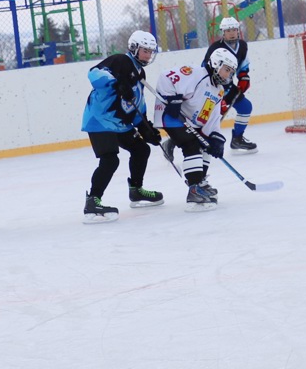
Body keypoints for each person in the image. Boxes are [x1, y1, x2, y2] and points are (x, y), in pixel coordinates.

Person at [80, 31, 164, 223]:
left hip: (118, 123)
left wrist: (145, 127)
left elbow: (136, 102)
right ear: (134, 48)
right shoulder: (119, 61)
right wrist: (116, 82)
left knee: (141, 149)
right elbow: (94, 73)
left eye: (150, 52)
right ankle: (92, 200)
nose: (148, 55)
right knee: (110, 160)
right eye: (145, 51)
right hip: (100, 121)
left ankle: (136, 190)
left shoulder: (139, 71)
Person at [153, 48, 237, 211]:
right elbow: (165, 77)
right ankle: (193, 191)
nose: (228, 75)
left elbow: (212, 116)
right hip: (171, 115)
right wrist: (173, 100)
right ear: (215, 64)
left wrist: (215, 138)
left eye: (231, 72)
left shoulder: (218, 90)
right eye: (226, 69)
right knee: (191, 146)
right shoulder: (196, 73)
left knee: (205, 144)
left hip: (189, 121)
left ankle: (200, 182)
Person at [202, 16, 257, 153]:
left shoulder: (242, 46)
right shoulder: (215, 48)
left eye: (234, 29)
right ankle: (178, 141)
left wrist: (244, 77)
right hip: (213, 89)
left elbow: (243, 64)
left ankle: (237, 139)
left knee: (245, 107)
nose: (232, 33)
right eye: (228, 30)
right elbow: (205, 68)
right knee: (205, 118)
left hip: (229, 86)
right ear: (223, 32)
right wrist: (216, 93)